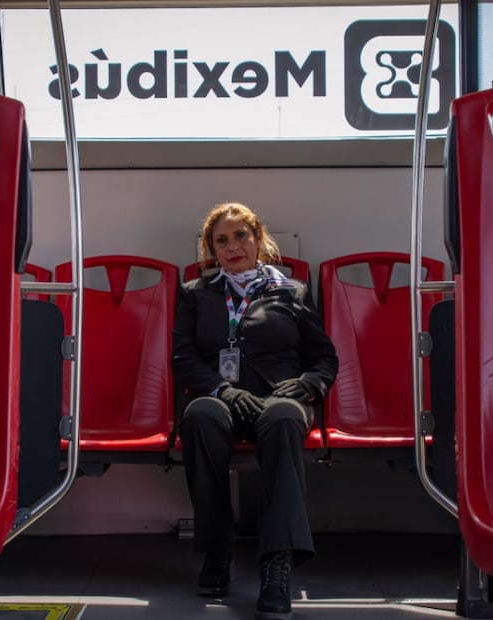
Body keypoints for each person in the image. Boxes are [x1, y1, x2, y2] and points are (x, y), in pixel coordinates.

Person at [171, 202, 338, 620]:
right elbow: (183, 357)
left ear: (258, 239)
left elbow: (324, 357)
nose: (232, 247)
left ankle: (277, 561)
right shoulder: (196, 293)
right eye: (221, 240)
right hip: (222, 396)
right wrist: (221, 390)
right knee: (199, 417)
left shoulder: (293, 291)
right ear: (211, 249)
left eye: (240, 236)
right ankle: (216, 549)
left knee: (282, 419)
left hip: (280, 397)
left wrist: (307, 384)